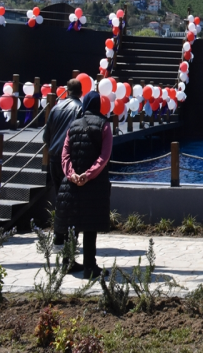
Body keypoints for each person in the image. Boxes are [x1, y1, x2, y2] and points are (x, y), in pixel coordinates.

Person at [54, 92, 112, 279]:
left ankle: (68, 262)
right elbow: (104, 156)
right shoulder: (104, 125)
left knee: (73, 222)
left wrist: (72, 175)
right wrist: (88, 175)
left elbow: (65, 155)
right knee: (90, 225)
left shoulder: (73, 125)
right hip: (93, 185)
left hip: (72, 183)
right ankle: (89, 266)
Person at [43, 79, 84, 194]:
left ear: (67, 92)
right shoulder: (81, 108)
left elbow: (46, 137)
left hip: (54, 159)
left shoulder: (55, 108)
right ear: (80, 93)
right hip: (70, 160)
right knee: (71, 198)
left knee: (59, 197)